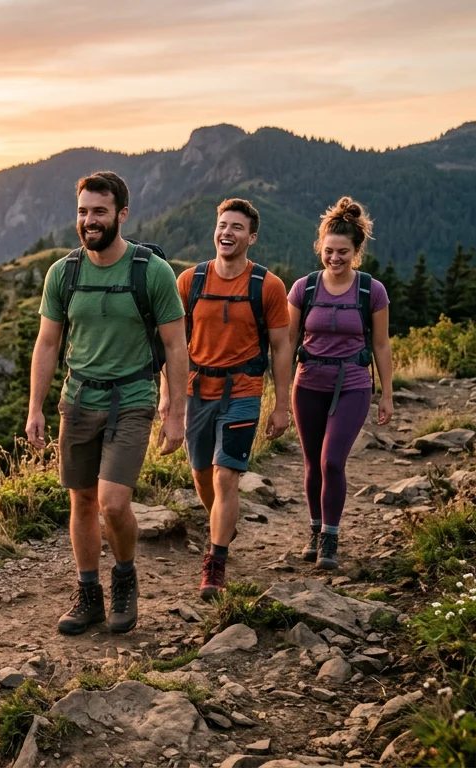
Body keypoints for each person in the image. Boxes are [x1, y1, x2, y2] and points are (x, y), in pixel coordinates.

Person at [26, 171, 188, 636]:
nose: (89, 220)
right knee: (81, 500)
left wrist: (176, 413)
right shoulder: (64, 273)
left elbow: (176, 346)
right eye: (82, 211)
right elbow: (47, 343)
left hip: (133, 398)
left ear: (122, 214)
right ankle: (88, 594)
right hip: (78, 399)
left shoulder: (151, 271)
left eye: (99, 211)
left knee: (114, 504)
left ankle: (124, 577)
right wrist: (35, 408)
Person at [177, 199, 293, 601]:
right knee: (201, 475)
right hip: (196, 392)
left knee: (225, 476)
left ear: (252, 237)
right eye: (223, 225)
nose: (227, 233)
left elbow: (282, 347)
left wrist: (282, 405)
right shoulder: (190, 281)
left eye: (237, 227)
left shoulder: (268, 286)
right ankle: (223, 525)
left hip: (243, 391)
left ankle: (215, 562)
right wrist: (168, 399)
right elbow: (173, 343)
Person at [288, 197, 393, 570]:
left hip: (353, 384)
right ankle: (315, 530)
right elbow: (287, 341)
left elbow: (381, 344)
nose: (335, 258)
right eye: (329, 251)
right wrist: (279, 395)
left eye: (343, 252)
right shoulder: (303, 288)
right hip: (308, 384)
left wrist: (387, 394)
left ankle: (330, 538)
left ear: (356, 251)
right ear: (320, 247)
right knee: (312, 464)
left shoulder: (371, 291)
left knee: (332, 461)